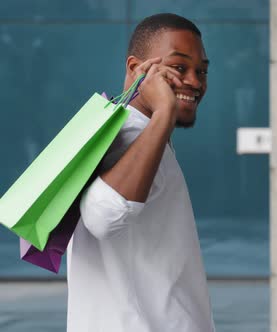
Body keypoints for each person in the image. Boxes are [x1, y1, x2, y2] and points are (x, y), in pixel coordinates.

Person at [67, 13, 215, 332]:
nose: (195, 81)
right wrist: (164, 112)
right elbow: (104, 217)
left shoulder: (137, 133)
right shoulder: (131, 134)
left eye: (201, 70)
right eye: (179, 67)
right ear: (136, 68)